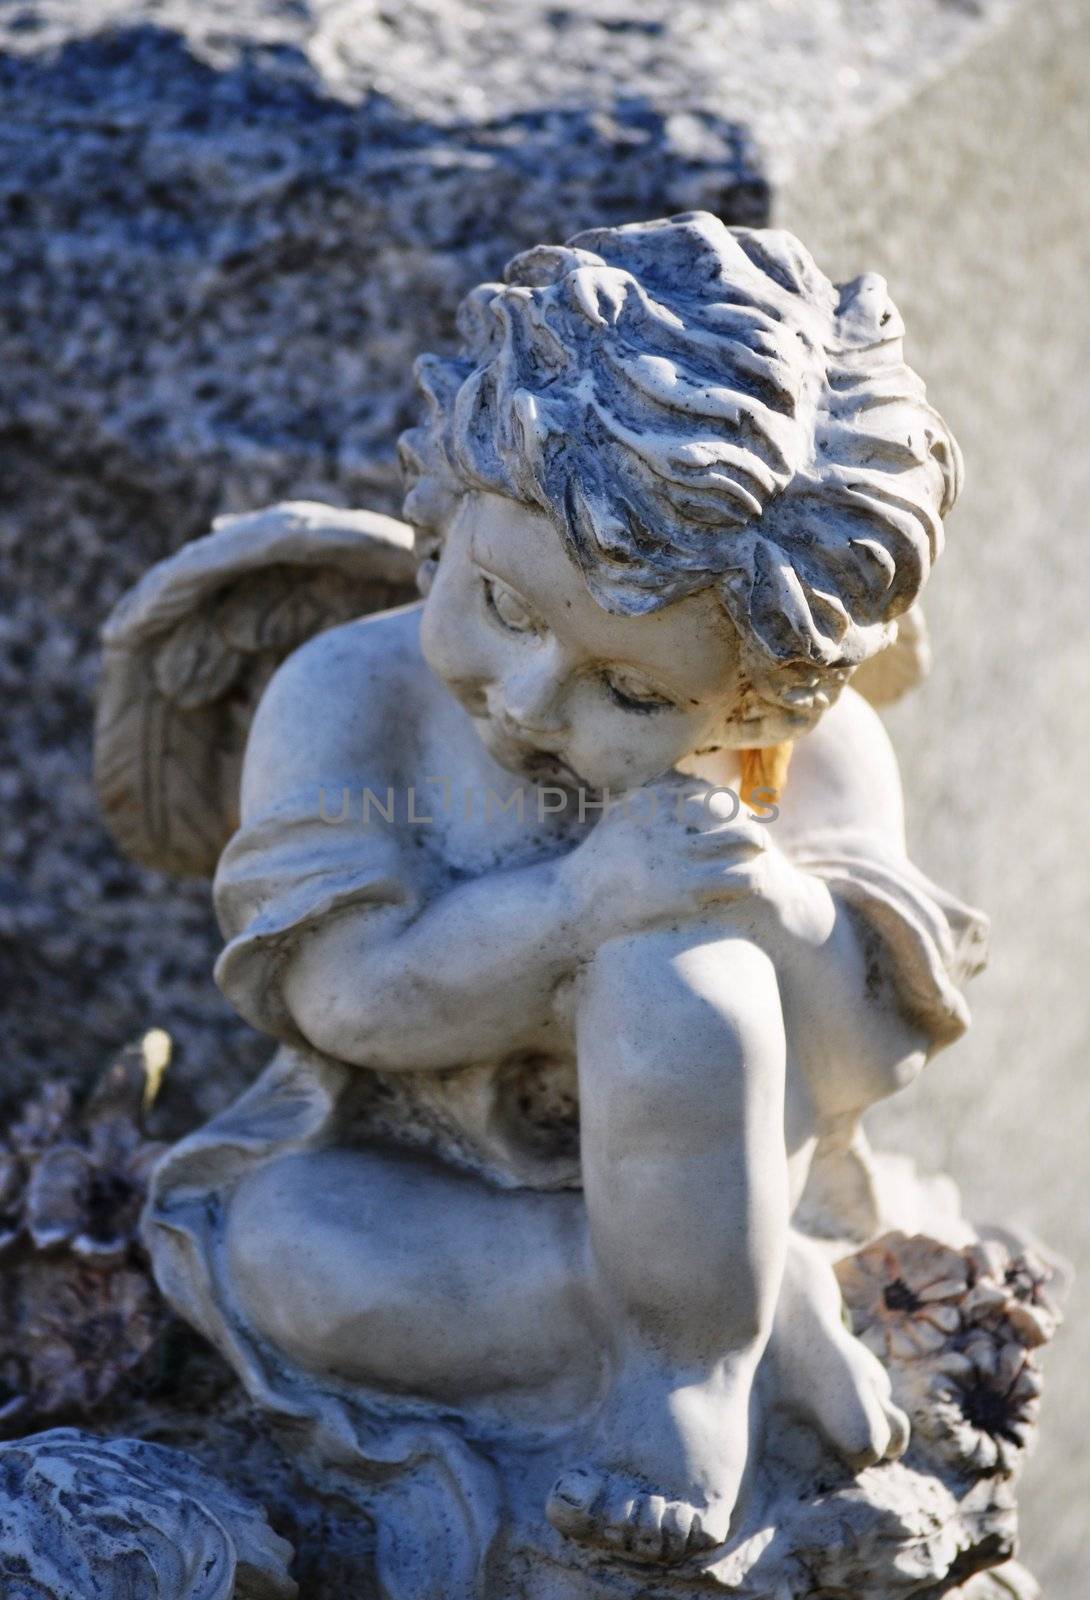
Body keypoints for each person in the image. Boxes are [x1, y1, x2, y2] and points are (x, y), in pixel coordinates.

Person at [147, 214, 986, 1567]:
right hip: (426, 1182)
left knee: (681, 967)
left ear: (758, 693)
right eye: (505, 605)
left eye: (633, 693)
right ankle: (720, 1293)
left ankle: (686, 1376)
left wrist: (766, 905)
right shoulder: (348, 698)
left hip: (725, 1164)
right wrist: (573, 903)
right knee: (280, 1252)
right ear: (449, 497)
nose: (527, 701)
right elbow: (346, 1004)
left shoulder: (795, 755)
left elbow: (854, 1057)